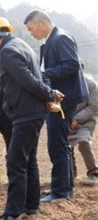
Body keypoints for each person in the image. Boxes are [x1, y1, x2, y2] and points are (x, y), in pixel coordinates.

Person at [0, 16, 63, 220]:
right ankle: (31, 206)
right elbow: (37, 78)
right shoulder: (22, 46)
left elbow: (27, 80)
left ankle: (12, 214)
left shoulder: (7, 51)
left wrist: (50, 94)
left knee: (15, 162)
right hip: (32, 113)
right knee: (28, 161)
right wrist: (48, 95)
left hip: (25, 114)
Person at [23, 10, 89, 202]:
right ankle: (63, 186)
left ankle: (61, 191)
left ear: (42, 23)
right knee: (61, 144)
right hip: (59, 99)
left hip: (63, 100)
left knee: (57, 144)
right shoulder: (51, 40)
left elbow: (72, 65)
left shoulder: (60, 38)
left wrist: (46, 75)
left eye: (32, 29)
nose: (31, 33)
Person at [69, 74, 98, 181]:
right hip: (65, 121)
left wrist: (76, 119)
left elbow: (93, 107)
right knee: (66, 147)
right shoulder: (62, 83)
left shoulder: (91, 85)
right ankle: (70, 173)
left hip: (86, 122)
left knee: (83, 141)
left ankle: (93, 172)